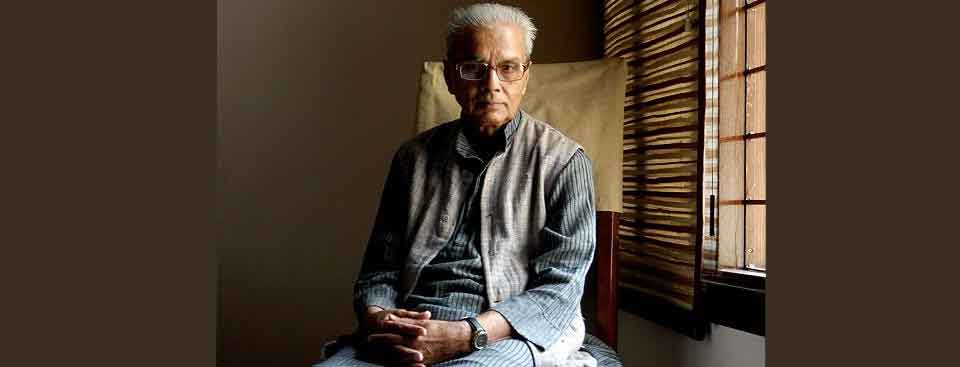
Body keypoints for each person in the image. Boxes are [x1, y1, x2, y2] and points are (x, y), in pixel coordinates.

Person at [317, 3, 615, 366]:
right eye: (474, 68)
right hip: (414, 325)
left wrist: (466, 333)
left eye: (508, 68)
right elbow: (379, 272)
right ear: (450, 77)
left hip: (509, 331)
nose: (492, 85)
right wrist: (381, 318)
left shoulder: (566, 163)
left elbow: (560, 289)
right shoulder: (412, 159)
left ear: (526, 76)